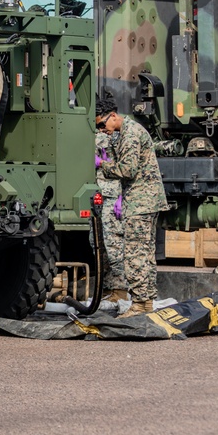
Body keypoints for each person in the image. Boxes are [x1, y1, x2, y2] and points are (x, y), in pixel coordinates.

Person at [95, 97, 168, 318]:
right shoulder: (127, 131)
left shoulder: (130, 133)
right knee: (145, 254)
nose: (102, 129)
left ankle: (139, 304)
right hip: (143, 200)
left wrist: (102, 165)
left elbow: (128, 169)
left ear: (113, 116)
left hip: (140, 201)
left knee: (134, 254)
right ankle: (145, 303)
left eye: (102, 124)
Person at [95, 130, 127, 309]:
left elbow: (126, 168)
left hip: (112, 194)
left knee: (114, 244)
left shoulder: (116, 137)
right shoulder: (87, 133)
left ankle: (122, 291)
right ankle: (109, 289)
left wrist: (122, 196)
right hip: (95, 194)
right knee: (98, 245)